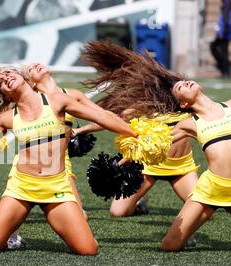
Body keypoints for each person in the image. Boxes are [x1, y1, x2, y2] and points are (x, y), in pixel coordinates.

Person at [0, 67, 137, 255]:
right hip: (21, 187)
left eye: (9, 73)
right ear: (5, 96)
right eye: (1, 82)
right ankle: (12, 239)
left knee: (88, 249)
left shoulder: (57, 101)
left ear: (24, 78)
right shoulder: (6, 118)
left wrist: (135, 134)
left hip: (56, 186)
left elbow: (102, 117)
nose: (6, 78)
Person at [80, 40, 229, 251]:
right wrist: (117, 165)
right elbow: (149, 143)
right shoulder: (187, 122)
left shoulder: (223, 106)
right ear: (182, 103)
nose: (184, 83)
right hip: (194, 183)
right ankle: (153, 211)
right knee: (163, 242)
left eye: (185, 82)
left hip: (182, 169)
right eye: (179, 87)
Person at [78, 43, 201, 220]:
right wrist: (81, 130)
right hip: (147, 167)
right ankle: (139, 204)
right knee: (118, 212)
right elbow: (111, 121)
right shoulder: (143, 108)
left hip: (181, 168)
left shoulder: (187, 107)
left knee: (203, 211)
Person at [25, 62, 102, 219]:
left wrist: (80, 130)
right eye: (30, 69)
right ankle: (11, 237)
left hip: (59, 163)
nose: (35, 65)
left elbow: (104, 118)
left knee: (80, 216)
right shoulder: (30, 100)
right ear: (31, 82)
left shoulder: (73, 95)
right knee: (16, 211)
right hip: (29, 164)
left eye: (36, 64)